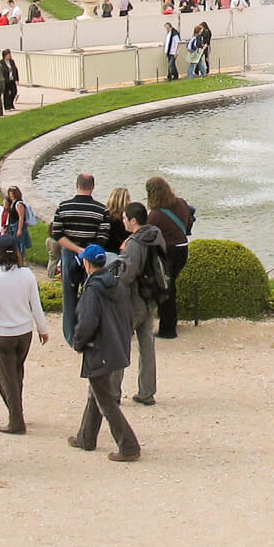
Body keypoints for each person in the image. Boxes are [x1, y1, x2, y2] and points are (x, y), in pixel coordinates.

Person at [65, 245, 141, 462]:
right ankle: (86, 437)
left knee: (105, 399)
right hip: (115, 347)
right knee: (97, 392)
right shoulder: (116, 284)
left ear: (88, 264)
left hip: (99, 349)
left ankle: (129, 446)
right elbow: (127, 316)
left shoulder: (92, 290)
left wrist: (78, 343)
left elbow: (87, 323)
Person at [0, 235, 50, 432]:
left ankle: (16, 419)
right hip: (24, 333)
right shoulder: (27, 275)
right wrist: (43, 329)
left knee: (5, 378)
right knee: (17, 373)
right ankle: (17, 411)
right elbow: (36, 305)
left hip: (3, 333)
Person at [115, 202, 166, 404]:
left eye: (125, 218)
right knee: (147, 346)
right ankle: (147, 391)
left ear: (134, 220)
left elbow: (126, 276)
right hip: (151, 297)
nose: (123, 221)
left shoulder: (134, 245)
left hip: (133, 301)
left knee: (119, 345)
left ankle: (113, 393)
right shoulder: (156, 235)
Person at [49, 172, 107, 346]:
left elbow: (57, 234)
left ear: (77, 185)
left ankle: (70, 336)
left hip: (70, 253)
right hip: (91, 256)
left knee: (69, 295)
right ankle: (87, 334)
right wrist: (87, 252)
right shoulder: (101, 210)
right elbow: (103, 237)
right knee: (90, 295)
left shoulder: (64, 207)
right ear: (93, 187)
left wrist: (77, 250)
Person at [144, 176, 194, 340]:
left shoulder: (155, 215)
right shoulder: (181, 203)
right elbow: (188, 223)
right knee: (170, 286)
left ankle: (168, 329)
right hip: (182, 249)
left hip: (167, 252)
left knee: (165, 289)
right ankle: (170, 322)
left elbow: (147, 236)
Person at [0, 185, 32, 257]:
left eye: (12, 194)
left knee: (19, 244)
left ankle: (21, 258)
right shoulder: (12, 203)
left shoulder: (18, 204)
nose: (10, 195)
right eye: (10, 194)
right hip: (12, 226)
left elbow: (21, 217)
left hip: (17, 226)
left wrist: (19, 229)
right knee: (13, 244)